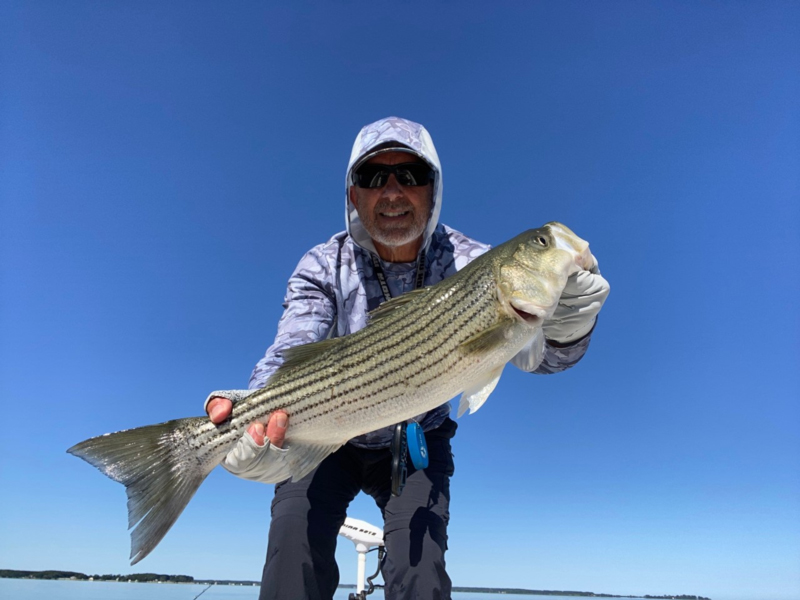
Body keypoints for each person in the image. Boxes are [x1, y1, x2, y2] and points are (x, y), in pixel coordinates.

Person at [205, 116, 609, 600]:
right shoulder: (321, 265)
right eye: (374, 178)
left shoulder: (471, 262)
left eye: (410, 176)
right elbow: (291, 349)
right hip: (325, 423)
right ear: (353, 195)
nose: (393, 191)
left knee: (421, 573)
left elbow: (544, 360)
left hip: (415, 436)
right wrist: (250, 412)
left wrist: (569, 326)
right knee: (293, 549)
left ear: (432, 188)